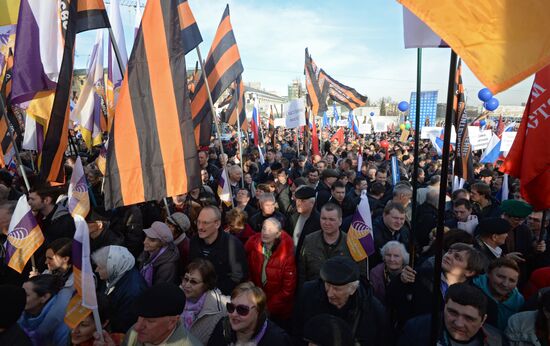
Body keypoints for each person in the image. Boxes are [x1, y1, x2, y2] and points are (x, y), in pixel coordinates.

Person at [293, 256, 389, 345]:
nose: (329, 293)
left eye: (336, 289)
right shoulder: (308, 294)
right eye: (327, 285)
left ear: (352, 289)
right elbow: (295, 333)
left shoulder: (373, 310)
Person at [388, 243, 487, 327]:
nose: (448, 256)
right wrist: (401, 280)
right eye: (449, 252)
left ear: (469, 272)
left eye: (457, 257)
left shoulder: (474, 296)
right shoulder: (419, 275)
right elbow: (392, 299)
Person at [94, 282, 201, 346]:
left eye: (150, 321)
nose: (137, 327)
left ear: (172, 322)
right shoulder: (134, 333)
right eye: (139, 317)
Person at [398, 283, 504, 345]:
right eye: (452, 312)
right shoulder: (416, 329)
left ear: (483, 320)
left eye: (469, 318)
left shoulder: (497, 341)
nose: (458, 323)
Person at [245, 218, 297, 324]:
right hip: (256, 303)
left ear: (278, 234)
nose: (265, 233)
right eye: (264, 229)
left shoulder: (286, 256)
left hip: (278, 311)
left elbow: (287, 291)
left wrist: (267, 307)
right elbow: (248, 272)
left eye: (270, 230)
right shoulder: (254, 247)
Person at [299, 203, 365, 285]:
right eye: (323, 218)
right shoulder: (309, 240)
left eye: (331, 219)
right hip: (314, 292)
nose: (327, 223)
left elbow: (360, 275)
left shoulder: (353, 244)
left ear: (340, 221)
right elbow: (301, 272)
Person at [188, 205, 249, 295]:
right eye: (198, 222)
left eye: (205, 223)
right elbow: (189, 267)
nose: (200, 227)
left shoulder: (233, 245)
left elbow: (238, 277)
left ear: (217, 224)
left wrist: (212, 291)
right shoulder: (194, 241)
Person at [207, 282, 291, 345]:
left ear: (258, 311)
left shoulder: (277, 340)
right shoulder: (223, 326)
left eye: (242, 309)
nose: (234, 314)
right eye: (231, 307)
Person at [92, 246, 147, 333]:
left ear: (112, 266)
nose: (96, 270)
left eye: (100, 267)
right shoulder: (115, 274)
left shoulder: (133, 292)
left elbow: (124, 325)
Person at [180, 258, 229, 345]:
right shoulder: (174, 296)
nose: (186, 285)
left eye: (193, 282)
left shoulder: (221, 308)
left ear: (207, 285)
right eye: (186, 279)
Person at [18, 274, 72, 345]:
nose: (19, 298)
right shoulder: (22, 316)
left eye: (27, 295)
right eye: (20, 293)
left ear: (44, 297)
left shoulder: (64, 327)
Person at [473, 257, 525, 331]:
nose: (505, 284)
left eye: (512, 280)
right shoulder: (472, 288)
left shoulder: (519, 302)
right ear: (488, 273)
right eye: (501, 277)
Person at [137, 221, 180, 286]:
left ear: (162, 243)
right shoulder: (149, 251)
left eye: (152, 240)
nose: (145, 242)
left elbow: (159, 290)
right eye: (146, 237)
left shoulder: (168, 267)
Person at [372, 202, 411, 266]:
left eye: (402, 219)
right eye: (395, 218)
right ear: (384, 215)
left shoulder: (405, 230)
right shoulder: (372, 234)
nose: (399, 222)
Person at [286, 186, 321, 258]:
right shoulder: (293, 217)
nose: (298, 203)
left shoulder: (319, 221)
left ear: (312, 203)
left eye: (303, 201)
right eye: (297, 200)